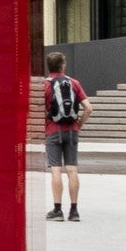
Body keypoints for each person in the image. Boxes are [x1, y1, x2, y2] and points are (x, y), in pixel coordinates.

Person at [41, 52, 88, 222]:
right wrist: (79, 125)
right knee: (72, 169)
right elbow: (89, 108)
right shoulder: (74, 83)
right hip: (72, 130)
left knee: (56, 169)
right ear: (63, 65)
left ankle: (57, 210)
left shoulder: (45, 85)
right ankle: (74, 211)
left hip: (53, 130)